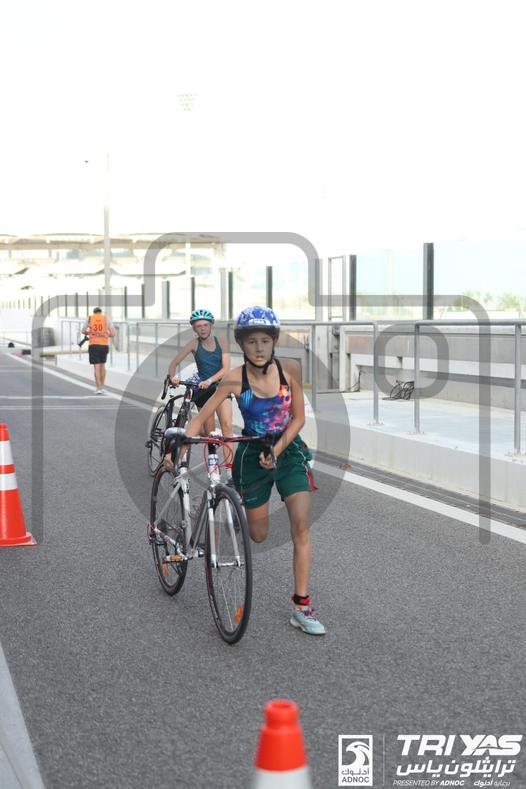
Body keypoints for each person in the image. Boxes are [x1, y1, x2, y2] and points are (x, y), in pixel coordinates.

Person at [166, 306, 325, 636]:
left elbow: (298, 419)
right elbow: (201, 417)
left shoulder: (290, 370)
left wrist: (276, 451)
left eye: (265, 341)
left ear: (274, 341)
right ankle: (239, 500)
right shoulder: (235, 379)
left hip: (288, 452)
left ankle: (301, 607)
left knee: (301, 528)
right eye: (251, 342)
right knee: (259, 534)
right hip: (251, 456)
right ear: (242, 343)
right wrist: (179, 449)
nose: (259, 348)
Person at [167, 308, 233, 440]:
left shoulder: (222, 342)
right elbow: (174, 363)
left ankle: (228, 457)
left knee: (227, 426)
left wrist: (209, 380)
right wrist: (172, 377)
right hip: (203, 389)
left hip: (220, 387)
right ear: (194, 329)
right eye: (198, 326)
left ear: (211, 325)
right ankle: (195, 429)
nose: (203, 329)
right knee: (209, 433)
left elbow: (226, 369)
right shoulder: (193, 344)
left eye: (205, 325)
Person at [81, 307, 115, 394]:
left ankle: (98, 388)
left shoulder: (89, 318)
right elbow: (113, 333)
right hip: (104, 345)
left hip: (94, 345)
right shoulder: (106, 318)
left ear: (94, 312)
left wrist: (90, 333)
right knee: (102, 366)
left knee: (96, 366)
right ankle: (102, 387)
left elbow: (83, 331)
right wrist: (104, 335)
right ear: (100, 312)